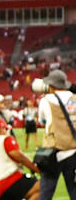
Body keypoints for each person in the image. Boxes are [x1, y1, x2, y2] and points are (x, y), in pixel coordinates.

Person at [32, 70, 76, 200]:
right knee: (74, 191)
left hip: (52, 151)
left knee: (46, 193)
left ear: (51, 85)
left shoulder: (46, 100)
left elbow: (42, 120)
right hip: (73, 150)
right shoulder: (74, 98)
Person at [0, 119, 39, 200]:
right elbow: (19, 156)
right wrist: (36, 169)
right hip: (9, 180)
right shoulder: (5, 139)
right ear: (2, 128)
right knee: (42, 187)